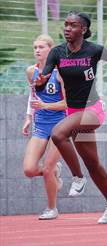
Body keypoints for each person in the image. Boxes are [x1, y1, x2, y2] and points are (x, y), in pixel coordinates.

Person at [34, 11, 107, 224]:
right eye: (65, 25)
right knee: (93, 163)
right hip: (73, 112)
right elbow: (44, 78)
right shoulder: (57, 53)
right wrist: (40, 83)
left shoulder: (93, 50)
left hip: (93, 110)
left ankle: (77, 177)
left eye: (72, 25)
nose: (67, 28)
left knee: (58, 133)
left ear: (83, 29)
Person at [21, 34, 68, 220]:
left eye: (41, 47)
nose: (37, 50)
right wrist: (28, 117)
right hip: (40, 124)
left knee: (47, 167)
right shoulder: (31, 71)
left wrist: (46, 106)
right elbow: (33, 96)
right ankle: (56, 171)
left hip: (60, 125)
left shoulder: (60, 72)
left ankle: (52, 209)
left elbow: (68, 104)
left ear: (51, 49)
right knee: (29, 170)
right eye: (35, 47)